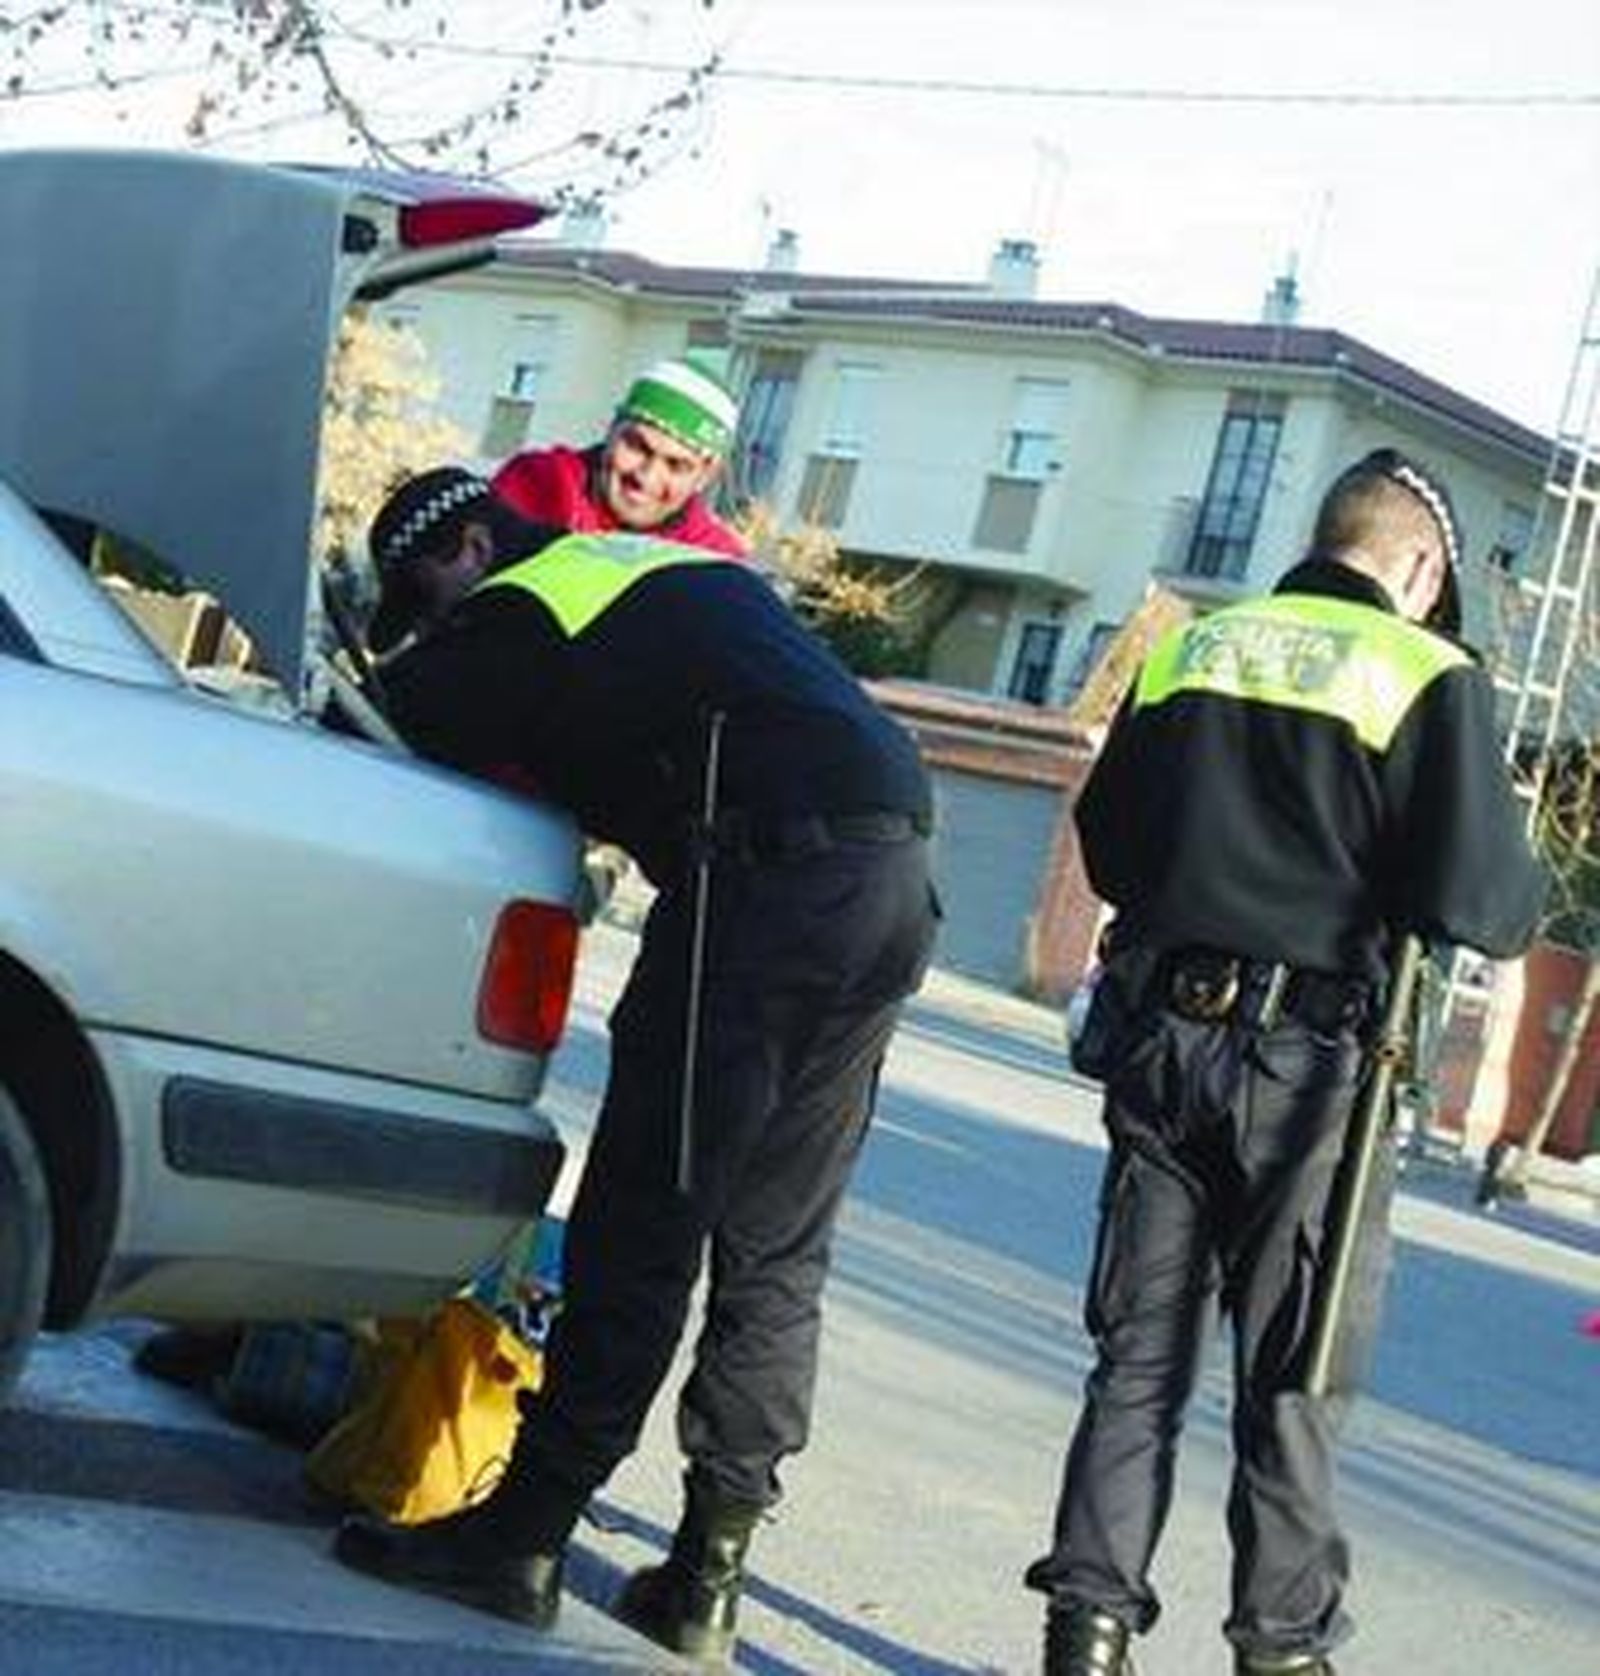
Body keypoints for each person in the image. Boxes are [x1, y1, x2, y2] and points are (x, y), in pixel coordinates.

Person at [330, 466, 939, 1662]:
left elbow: (383, 728)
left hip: (762, 882)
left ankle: (520, 1537)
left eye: (426, 593)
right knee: (776, 1236)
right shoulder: (656, 567)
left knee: (643, 1214)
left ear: (464, 545)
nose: (438, 618)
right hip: (893, 868)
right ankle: (709, 1571)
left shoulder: (525, 601)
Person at [1026, 448, 1546, 1676]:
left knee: (1138, 1357)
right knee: (1293, 1371)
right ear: (1417, 567)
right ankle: (1281, 1647)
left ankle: (1085, 1633)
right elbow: (1486, 901)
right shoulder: (1427, 672)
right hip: (1311, 1075)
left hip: (1163, 1042)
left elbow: (1106, 843)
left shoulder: (1191, 647)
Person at [491, 354, 750, 558]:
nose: (646, 477)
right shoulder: (540, 483)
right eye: (637, 447)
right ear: (612, 430)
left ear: (705, 476)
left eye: (676, 465)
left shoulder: (711, 559)